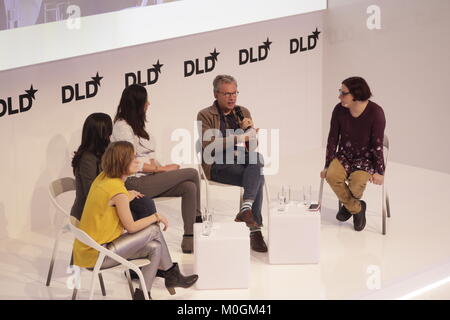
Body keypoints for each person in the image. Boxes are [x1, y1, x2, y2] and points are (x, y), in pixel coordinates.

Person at [72, 141, 198, 300]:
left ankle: (143, 295)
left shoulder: (104, 178)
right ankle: (171, 274)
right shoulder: (117, 191)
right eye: (132, 159)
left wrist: (126, 196)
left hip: (87, 249)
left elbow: (112, 199)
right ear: (121, 163)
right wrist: (156, 217)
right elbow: (131, 227)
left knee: (155, 247)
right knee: (154, 229)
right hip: (96, 254)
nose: (138, 161)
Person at [111, 84, 202, 254]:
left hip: (148, 178)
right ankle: (199, 220)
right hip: (133, 181)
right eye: (146, 100)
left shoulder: (137, 125)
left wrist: (161, 167)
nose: (149, 103)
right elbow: (129, 162)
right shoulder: (122, 127)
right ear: (138, 103)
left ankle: (189, 237)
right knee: (192, 173)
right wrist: (162, 171)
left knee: (189, 187)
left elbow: (149, 157)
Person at [197, 74, 267, 252]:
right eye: (227, 94)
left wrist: (250, 131)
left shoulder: (243, 111)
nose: (232, 97)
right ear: (216, 94)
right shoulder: (205, 114)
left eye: (235, 93)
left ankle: (246, 209)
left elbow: (252, 147)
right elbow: (209, 145)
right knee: (257, 176)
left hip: (240, 158)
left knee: (257, 159)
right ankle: (255, 230)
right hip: (216, 164)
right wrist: (239, 136)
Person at [320, 76, 386, 231]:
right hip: (344, 156)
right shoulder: (339, 110)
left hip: (366, 159)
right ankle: (357, 208)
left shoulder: (376, 113)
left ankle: (348, 205)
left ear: (356, 94)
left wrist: (379, 171)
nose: (339, 96)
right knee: (331, 176)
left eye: (343, 93)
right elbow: (332, 139)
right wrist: (327, 165)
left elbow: (377, 145)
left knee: (357, 183)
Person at [70, 112, 153, 222]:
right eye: (109, 129)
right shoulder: (87, 159)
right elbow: (92, 193)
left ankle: (146, 237)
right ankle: (143, 237)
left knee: (145, 203)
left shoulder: (103, 152)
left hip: (106, 202)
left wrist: (126, 194)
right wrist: (124, 196)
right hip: (91, 212)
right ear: (102, 133)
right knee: (145, 207)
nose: (111, 133)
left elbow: (113, 180)